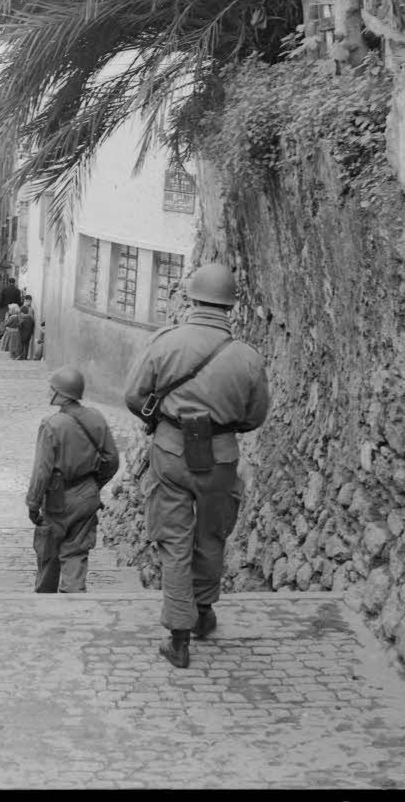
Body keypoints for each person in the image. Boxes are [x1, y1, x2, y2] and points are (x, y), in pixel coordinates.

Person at [123, 262, 269, 669]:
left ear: (191, 299)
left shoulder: (165, 342)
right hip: (219, 456)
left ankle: (179, 637)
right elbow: (255, 417)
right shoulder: (246, 357)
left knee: (175, 540)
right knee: (211, 535)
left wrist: (165, 422)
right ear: (230, 307)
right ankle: (204, 614)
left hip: (171, 451)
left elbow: (134, 396)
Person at [25, 366, 120, 593]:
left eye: (53, 389)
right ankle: (73, 601)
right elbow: (112, 460)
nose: (50, 393)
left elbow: (42, 471)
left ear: (63, 395)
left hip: (58, 499)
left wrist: (33, 504)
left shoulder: (51, 424)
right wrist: (94, 485)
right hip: (87, 494)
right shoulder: (96, 418)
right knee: (77, 551)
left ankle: (46, 599)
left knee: (48, 551)